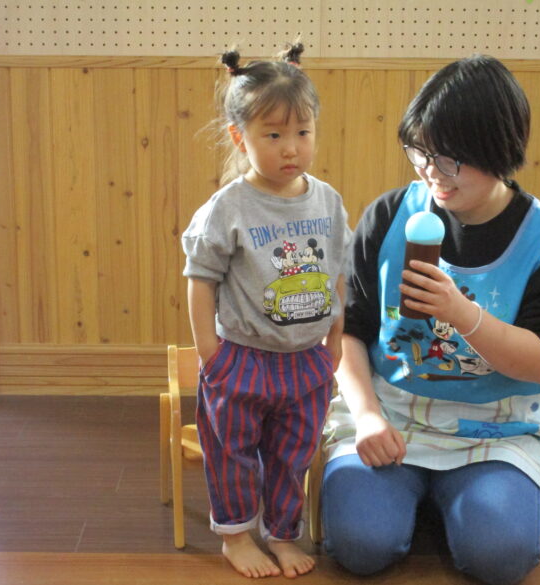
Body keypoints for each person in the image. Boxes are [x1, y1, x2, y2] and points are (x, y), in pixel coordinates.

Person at [321, 54, 540, 585]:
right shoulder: (390, 215)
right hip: (390, 417)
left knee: (501, 559)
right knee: (360, 546)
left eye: (450, 160)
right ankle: (415, 497)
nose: (431, 173)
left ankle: (447, 498)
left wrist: (463, 315)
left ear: (500, 150)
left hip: (492, 431)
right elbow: (350, 330)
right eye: (420, 153)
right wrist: (368, 414)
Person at [182, 43, 351, 579]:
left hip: (306, 361)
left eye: (302, 132)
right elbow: (200, 280)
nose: (291, 148)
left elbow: (339, 273)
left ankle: (282, 534)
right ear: (241, 137)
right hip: (241, 358)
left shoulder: (327, 200)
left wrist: (335, 343)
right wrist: (211, 354)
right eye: (273, 135)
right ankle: (235, 537)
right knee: (232, 452)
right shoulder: (227, 207)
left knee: (292, 454)